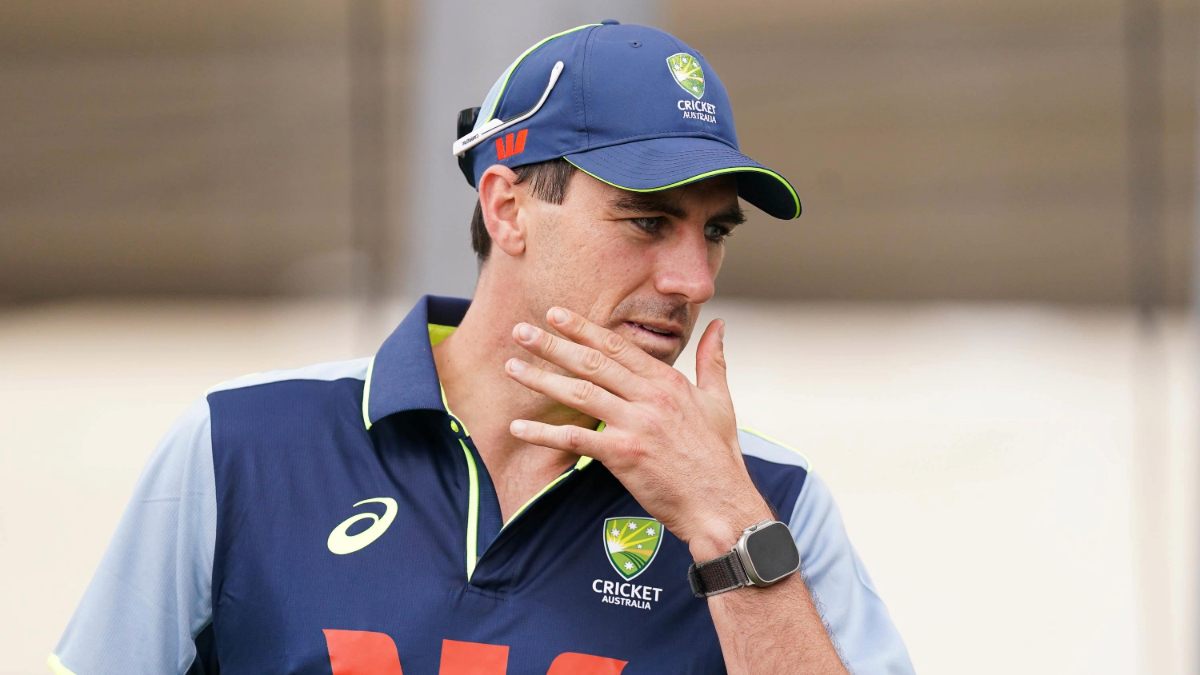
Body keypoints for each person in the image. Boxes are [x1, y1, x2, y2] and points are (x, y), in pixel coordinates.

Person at [50, 21, 914, 674]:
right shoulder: (240, 445)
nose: (694, 278)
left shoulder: (775, 503)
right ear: (506, 208)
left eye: (715, 231)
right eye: (648, 220)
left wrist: (727, 527)